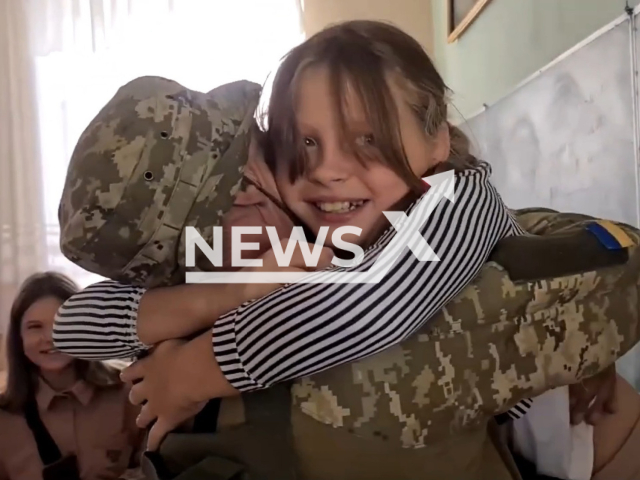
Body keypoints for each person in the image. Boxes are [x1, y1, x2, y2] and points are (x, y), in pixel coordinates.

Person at [51, 22, 640, 480]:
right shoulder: (251, 254)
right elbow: (74, 325)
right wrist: (226, 293)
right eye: (215, 213)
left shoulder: (453, 203)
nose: (255, 205)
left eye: (247, 173)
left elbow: (374, 304)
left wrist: (191, 371)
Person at [0, 272, 145, 480]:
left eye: (63, 322)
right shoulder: (5, 417)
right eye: (35, 327)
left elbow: (158, 466)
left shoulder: (131, 390)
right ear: (19, 338)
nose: (50, 337)